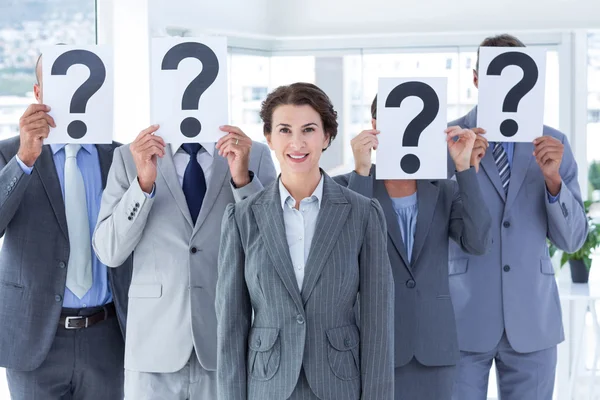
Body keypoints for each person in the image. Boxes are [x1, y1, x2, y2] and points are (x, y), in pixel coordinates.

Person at [215, 82, 394, 400]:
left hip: (340, 384)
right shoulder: (242, 218)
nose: (296, 142)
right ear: (268, 138)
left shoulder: (363, 213)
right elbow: (230, 326)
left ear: (326, 137)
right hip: (267, 385)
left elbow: (378, 323)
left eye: (309, 129)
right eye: (284, 130)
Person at [92, 95, 276, 398]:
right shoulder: (129, 157)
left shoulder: (252, 155)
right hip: (153, 348)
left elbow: (271, 249)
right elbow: (109, 251)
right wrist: (142, 186)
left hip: (227, 343)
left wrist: (243, 182)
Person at [448, 34, 588, 400]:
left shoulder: (553, 143)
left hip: (533, 318)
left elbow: (573, 240)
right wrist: (464, 171)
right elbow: (432, 223)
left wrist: (554, 180)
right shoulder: (448, 139)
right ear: (477, 79)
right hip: (463, 315)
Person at [334, 95, 491, 399]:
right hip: (373, 346)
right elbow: (344, 251)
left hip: (435, 349)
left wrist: (463, 169)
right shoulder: (349, 184)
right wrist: (362, 173)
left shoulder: (444, 187)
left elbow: (479, 242)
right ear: (375, 126)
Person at [0, 53, 133, 399]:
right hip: (35, 338)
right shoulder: (9, 155)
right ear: (38, 92)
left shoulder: (122, 158)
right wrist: (25, 159)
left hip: (107, 337)